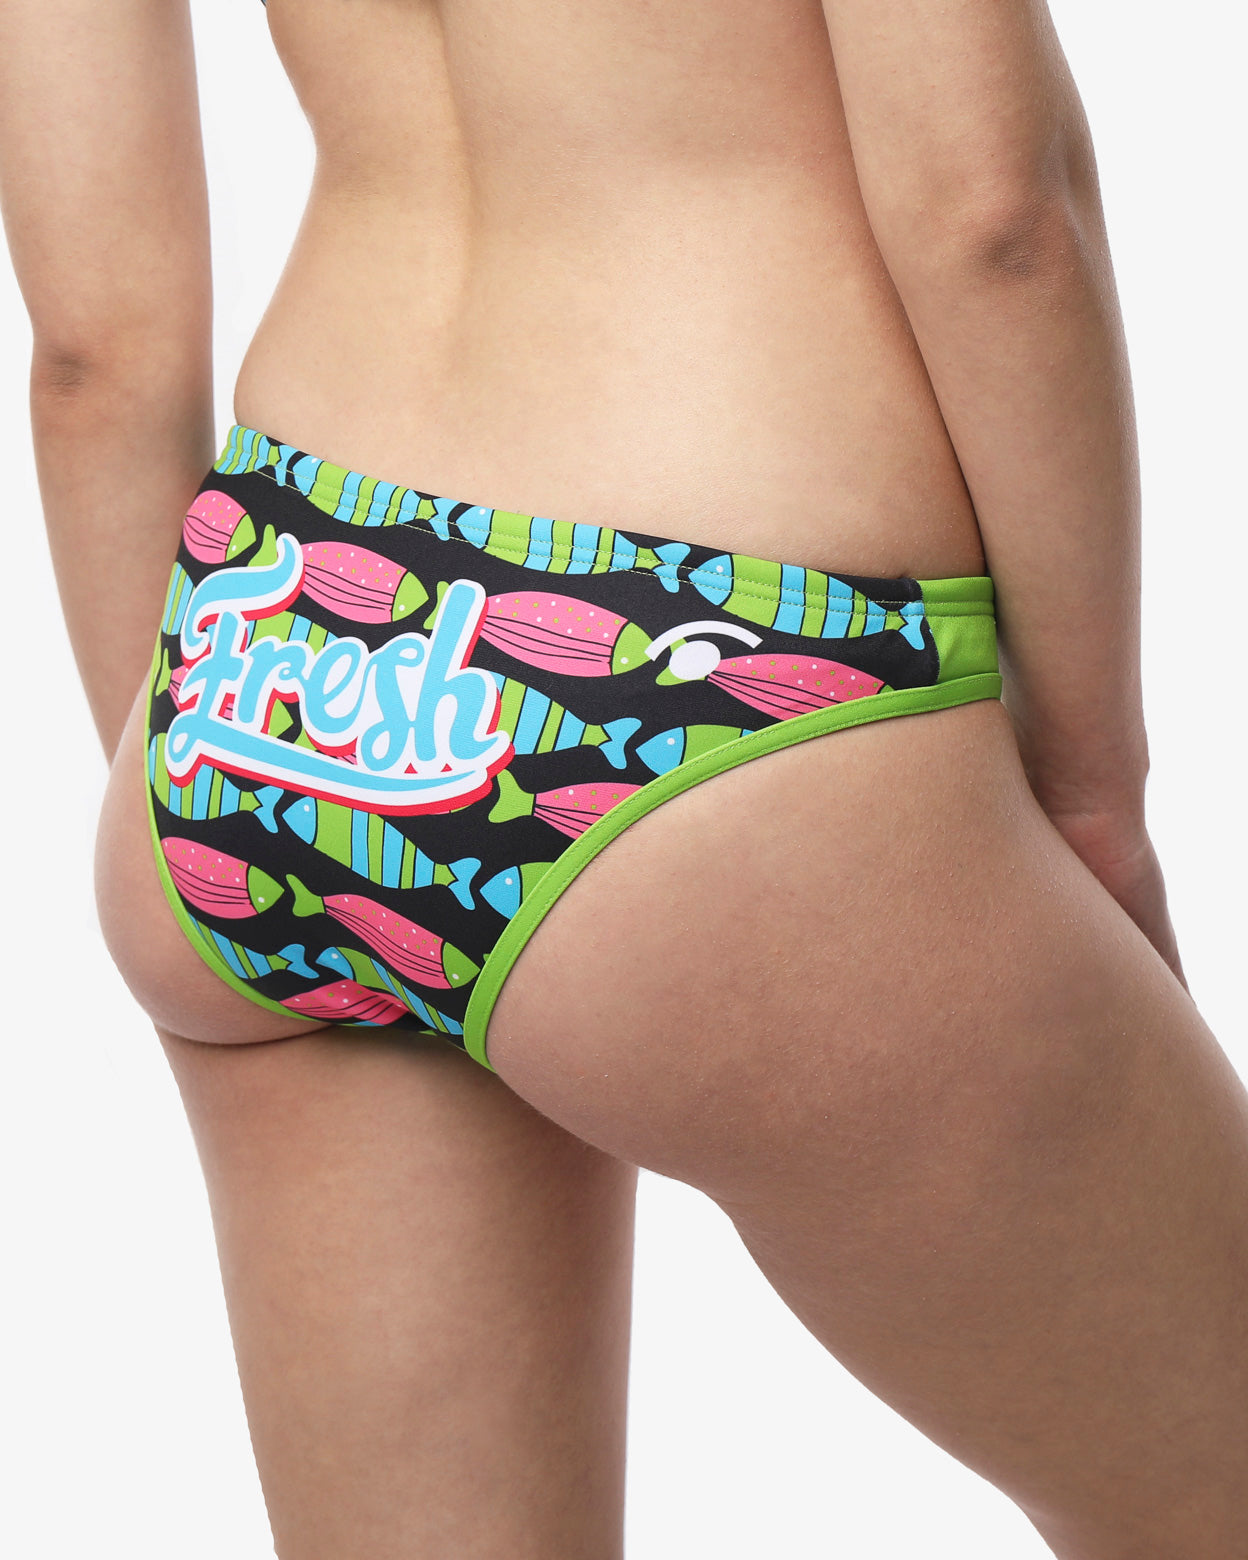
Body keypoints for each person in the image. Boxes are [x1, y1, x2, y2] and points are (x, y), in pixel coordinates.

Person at [1, 0, 1244, 1555]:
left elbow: (94, 351)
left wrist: (223, 783)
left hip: (271, 663)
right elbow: (992, 214)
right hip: (716, 661)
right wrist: (1094, 792)